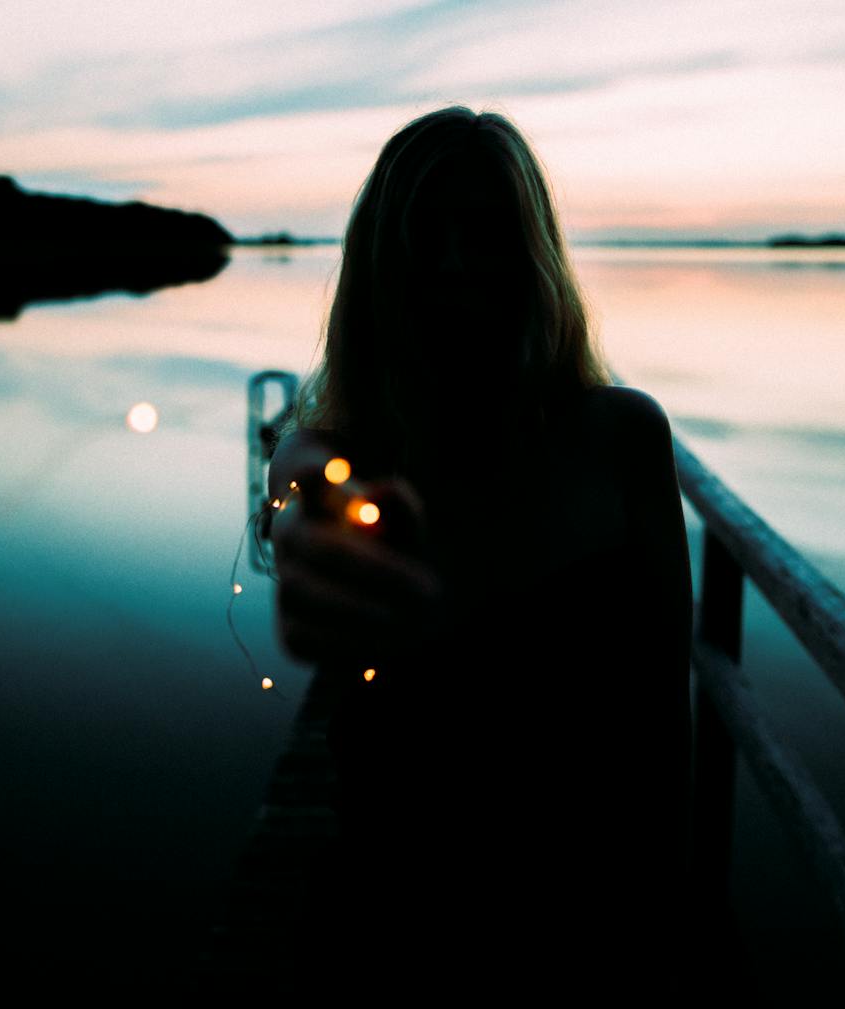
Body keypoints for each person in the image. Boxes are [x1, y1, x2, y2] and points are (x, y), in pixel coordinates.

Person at [265, 105, 699, 999]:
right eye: (427, 233)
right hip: (393, 915)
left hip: (590, 919)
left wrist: (673, 913)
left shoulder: (622, 437)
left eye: (488, 232)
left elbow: (666, 712)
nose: (457, 263)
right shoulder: (353, 458)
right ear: (381, 261)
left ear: (533, 255)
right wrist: (303, 514)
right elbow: (301, 480)